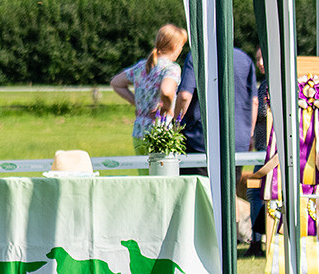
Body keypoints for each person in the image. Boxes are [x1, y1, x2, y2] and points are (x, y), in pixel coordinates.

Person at [175, 47, 258, 179]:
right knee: (229, 196)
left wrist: (176, 124)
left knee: (200, 196)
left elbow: (184, 96)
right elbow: (254, 101)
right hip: (237, 140)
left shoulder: (197, 55)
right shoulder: (245, 59)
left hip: (200, 139)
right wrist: (250, 133)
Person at [109, 24, 188, 155]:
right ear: (175, 46)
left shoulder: (143, 65)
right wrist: (167, 109)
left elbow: (116, 82)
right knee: (163, 175)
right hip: (159, 135)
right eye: (181, 46)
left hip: (139, 132)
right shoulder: (171, 69)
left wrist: (137, 103)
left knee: (144, 175)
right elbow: (166, 92)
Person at [247, 46, 269, 257]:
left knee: (256, 192)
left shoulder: (270, 84)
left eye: (263, 58)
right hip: (261, 148)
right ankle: (257, 239)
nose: (260, 63)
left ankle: (257, 239)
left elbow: (264, 110)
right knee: (256, 192)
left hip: (268, 151)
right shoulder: (265, 83)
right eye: (257, 59)